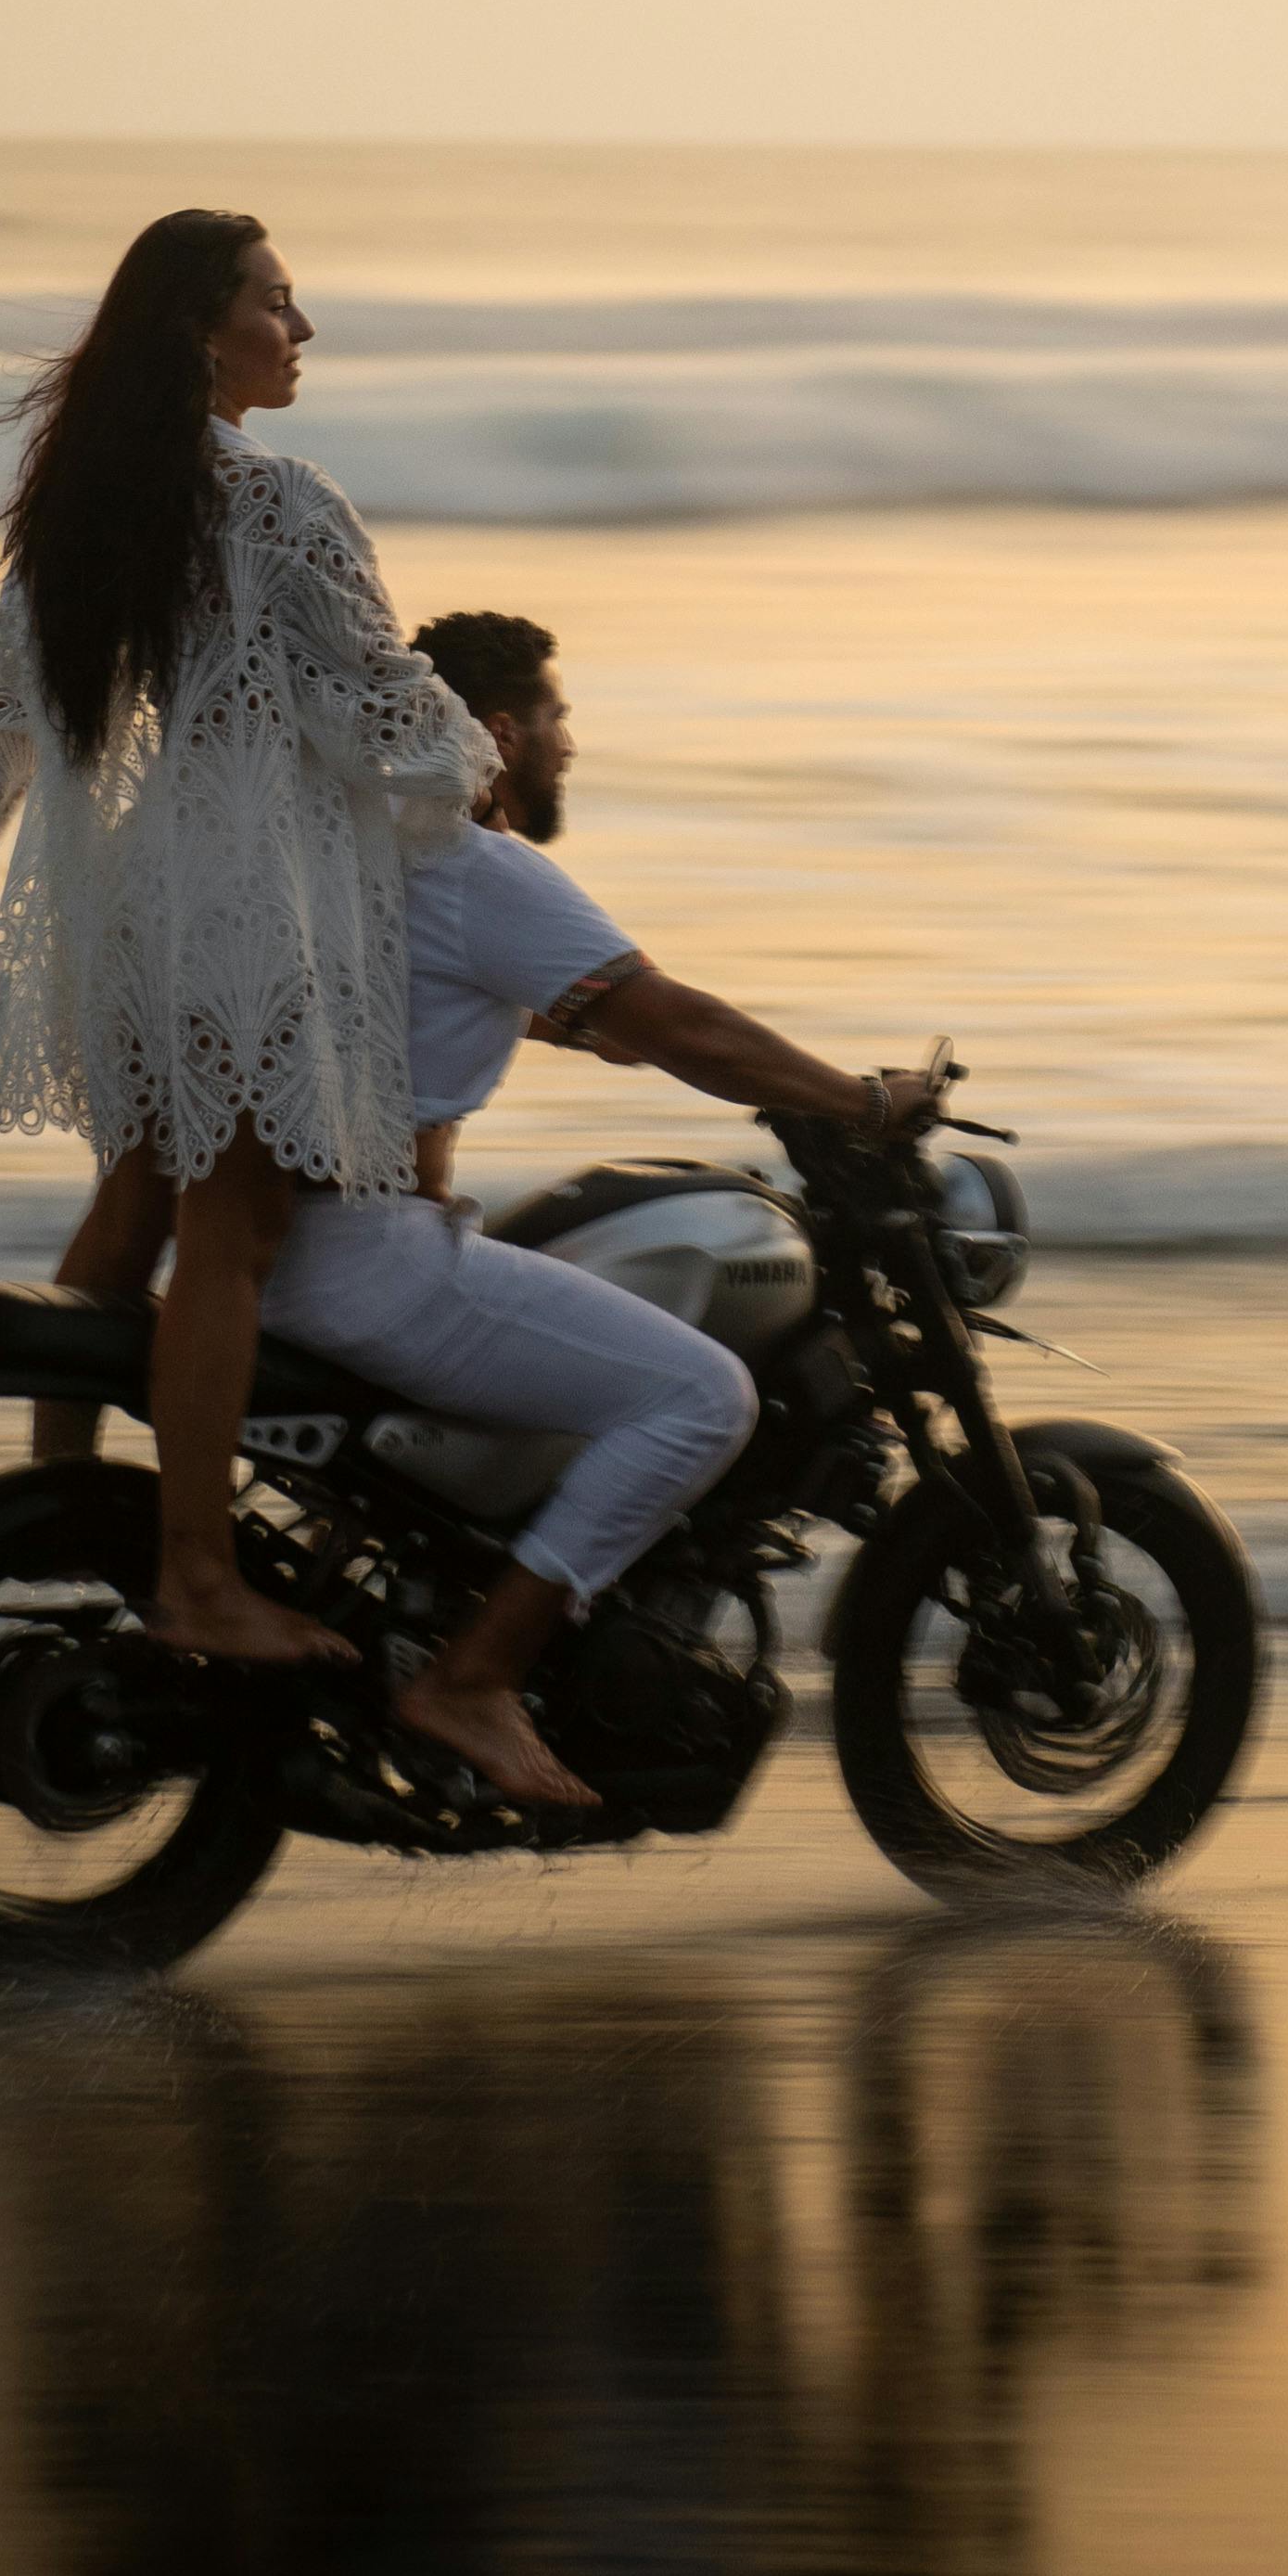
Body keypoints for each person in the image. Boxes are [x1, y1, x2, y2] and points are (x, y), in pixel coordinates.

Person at [0, 211, 491, 1671]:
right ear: (201, 332)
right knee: (235, 1232)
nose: (303, 332)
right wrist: (479, 775)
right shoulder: (280, 503)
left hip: (126, 911)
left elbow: (7, 719)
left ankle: (59, 1514)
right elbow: (378, 696)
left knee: (139, 1198)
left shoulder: (82, 503)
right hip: (247, 911)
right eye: (280, 306)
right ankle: (197, 1574)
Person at [261, 604, 945, 1814]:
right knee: (699, 1397)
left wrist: (611, 1025)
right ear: (505, 730)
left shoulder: (359, 853)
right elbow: (679, 1023)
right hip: (375, 1261)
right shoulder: (482, 870)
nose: (570, 745)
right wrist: (855, 1100)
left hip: (266, 1248)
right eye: (560, 719)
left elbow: (569, 1014)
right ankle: (475, 1679)